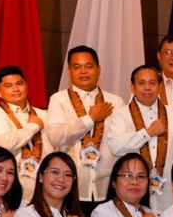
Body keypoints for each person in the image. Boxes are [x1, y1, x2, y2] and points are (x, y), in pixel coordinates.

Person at [45, 45, 125, 206]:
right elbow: (56, 137)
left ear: (98, 69)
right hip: (71, 186)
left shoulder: (115, 102)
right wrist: (90, 118)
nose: (83, 71)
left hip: (108, 186)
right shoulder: (59, 99)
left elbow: (122, 144)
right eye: (77, 67)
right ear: (69, 72)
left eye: (89, 66)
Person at [107, 64, 173, 212]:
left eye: (152, 83)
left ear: (160, 86)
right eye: (142, 83)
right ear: (132, 87)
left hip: (167, 195)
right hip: (133, 192)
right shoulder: (121, 115)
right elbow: (116, 146)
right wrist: (147, 133)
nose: (147, 88)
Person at [0, 66, 49, 202]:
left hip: (45, 187)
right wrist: (33, 126)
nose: (15, 89)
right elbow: (5, 144)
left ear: (26, 85)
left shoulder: (44, 114)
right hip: (12, 188)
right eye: (8, 86)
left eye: (19, 83)